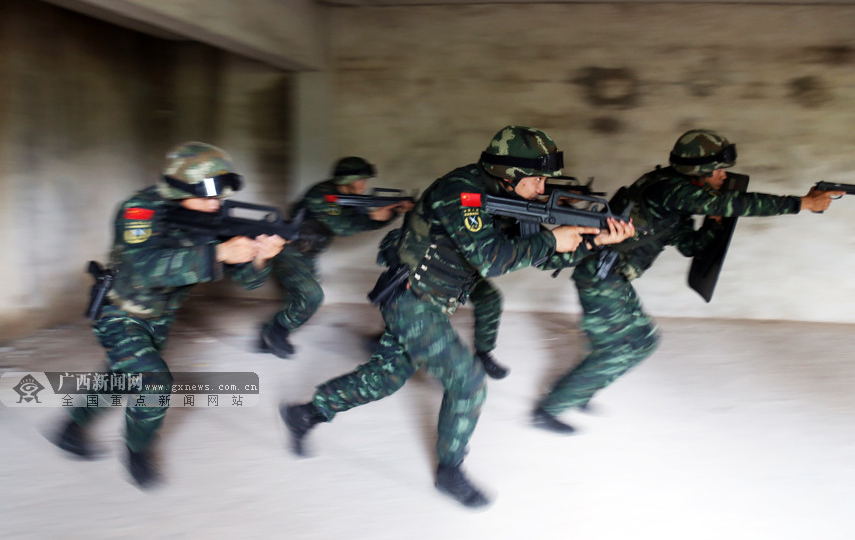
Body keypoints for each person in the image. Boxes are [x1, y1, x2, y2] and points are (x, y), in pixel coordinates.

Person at [279, 125, 634, 508]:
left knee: (385, 377)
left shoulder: (504, 196)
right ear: (510, 173)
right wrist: (552, 237)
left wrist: (593, 240)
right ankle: (450, 471)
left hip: (435, 301)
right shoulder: (461, 192)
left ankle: (306, 413)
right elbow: (492, 259)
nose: (542, 187)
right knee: (468, 382)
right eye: (535, 179)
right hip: (411, 297)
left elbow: (542, 254)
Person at [531, 129, 843, 435]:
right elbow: (737, 203)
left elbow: (689, 244)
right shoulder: (669, 189)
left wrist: (714, 225)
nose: (722, 176)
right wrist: (803, 203)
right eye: (718, 170)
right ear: (699, 170)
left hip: (608, 273)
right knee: (636, 343)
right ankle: (550, 408)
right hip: (601, 275)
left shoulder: (673, 196)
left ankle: (581, 391)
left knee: (608, 341)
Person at [52, 142, 286, 487]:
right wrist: (218, 251)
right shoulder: (140, 210)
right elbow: (143, 268)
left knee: (118, 378)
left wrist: (261, 255)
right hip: (122, 312)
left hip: (160, 318)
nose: (215, 205)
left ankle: (71, 429)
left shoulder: (213, 218)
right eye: (207, 197)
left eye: (219, 197)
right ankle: (138, 450)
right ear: (178, 190)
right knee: (153, 383)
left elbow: (249, 282)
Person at [257, 157, 413, 358]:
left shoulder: (347, 199)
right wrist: (374, 216)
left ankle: (269, 335)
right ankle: (274, 333)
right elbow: (342, 226)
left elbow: (363, 222)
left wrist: (391, 213)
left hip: (306, 255)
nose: (364, 185)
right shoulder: (321, 195)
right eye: (361, 180)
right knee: (311, 296)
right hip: (288, 252)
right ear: (348, 179)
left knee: (302, 299)